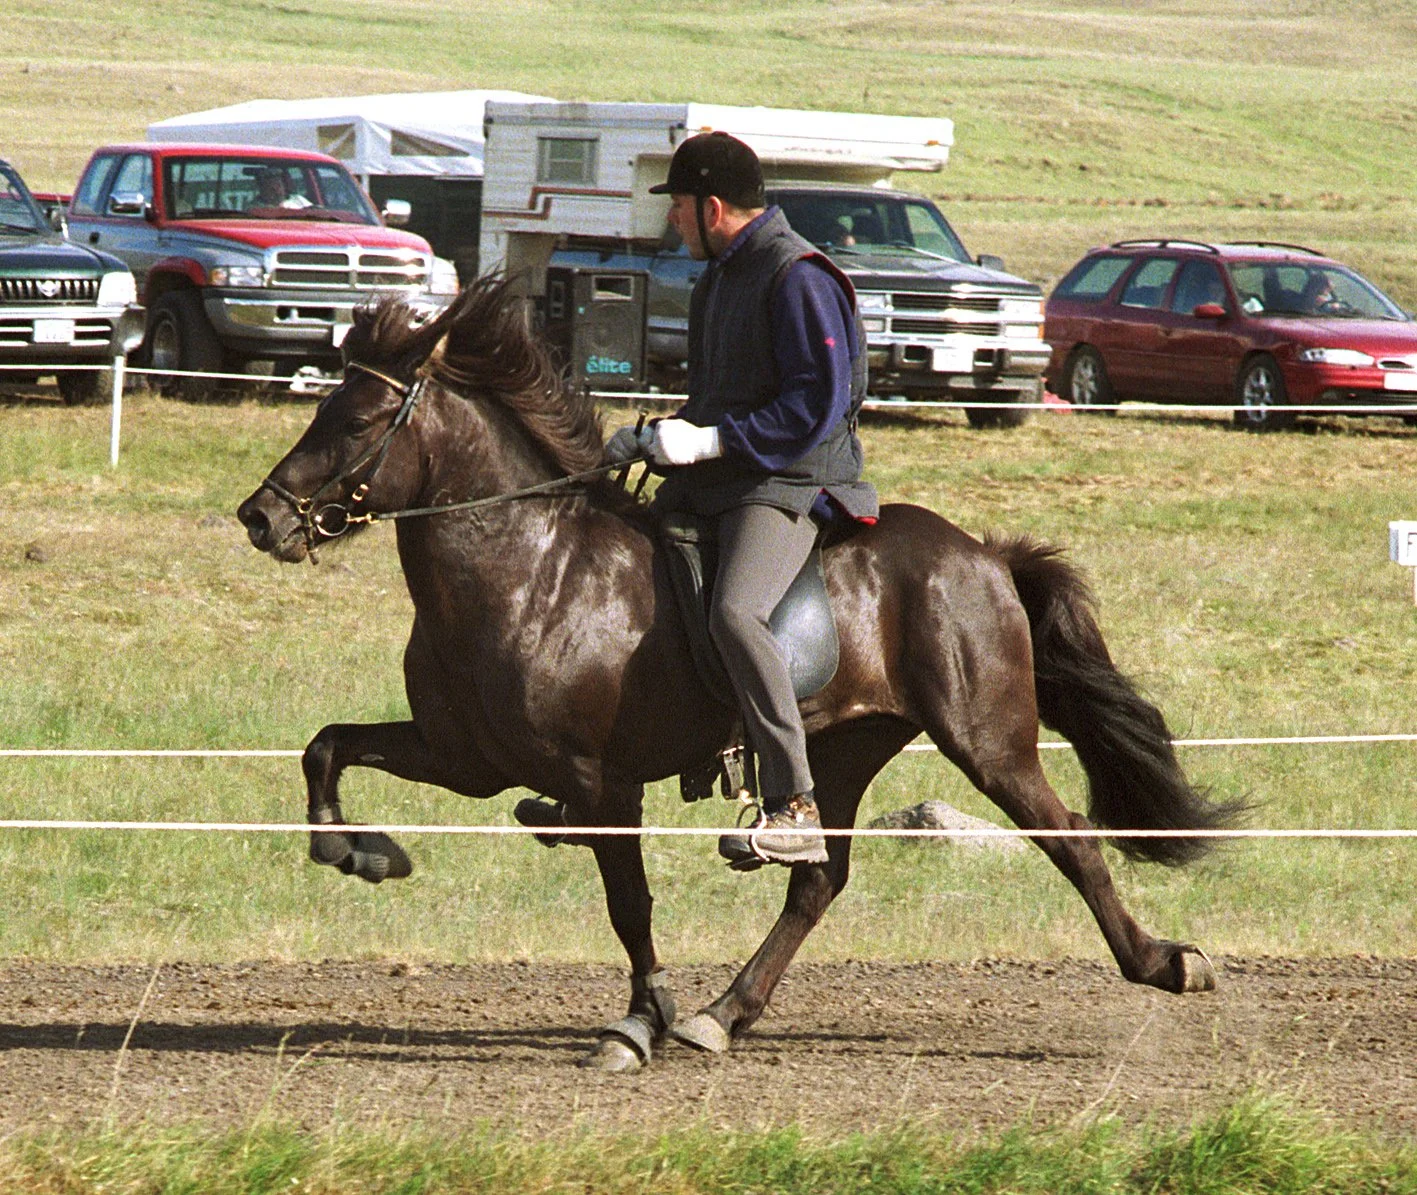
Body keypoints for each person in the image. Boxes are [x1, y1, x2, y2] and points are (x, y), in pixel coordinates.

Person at [605, 132, 877, 868]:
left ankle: (794, 802)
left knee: (734, 610)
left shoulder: (797, 278)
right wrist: (658, 437)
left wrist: (708, 444)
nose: (673, 222)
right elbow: (717, 399)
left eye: (680, 209)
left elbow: (812, 406)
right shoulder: (720, 277)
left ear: (713, 207)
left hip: (789, 480)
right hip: (727, 472)